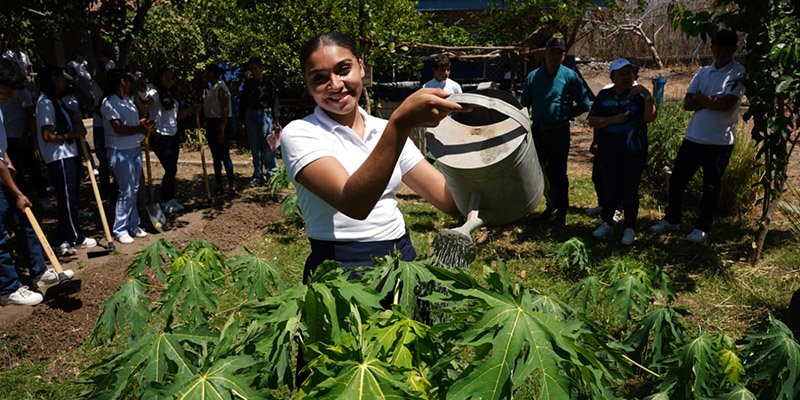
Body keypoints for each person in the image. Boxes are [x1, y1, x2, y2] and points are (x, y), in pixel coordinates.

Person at [282, 31, 462, 282]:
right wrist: (400, 124)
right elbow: (354, 203)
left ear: (361, 67)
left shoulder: (383, 129)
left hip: (401, 259)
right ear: (307, 85)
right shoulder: (300, 133)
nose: (335, 84)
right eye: (320, 78)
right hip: (339, 269)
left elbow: (448, 200)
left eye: (343, 69)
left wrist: (484, 161)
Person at [650, 30, 745, 243]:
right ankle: (672, 220)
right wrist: (709, 100)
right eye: (717, 47)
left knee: (710, 186)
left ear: (734, 50)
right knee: (677, 180)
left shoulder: (738, 73)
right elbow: (687, 104)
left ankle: (702, 227)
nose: (721, 52)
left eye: (726, 49)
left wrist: (702, 99)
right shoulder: (702, 72)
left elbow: (726, 105)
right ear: (711, 47)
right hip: (694, 137)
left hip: (719, 141)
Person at [0, 59, 73, 306]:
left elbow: (1, 151)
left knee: (25, 219)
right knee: (0, 233)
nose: (10, 96)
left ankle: (40, 273)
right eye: (6, 90)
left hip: (3, 171)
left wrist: (8, 160)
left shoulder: (0, 104)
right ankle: (8, 288)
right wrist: (16, 191)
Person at [521, 36, 590, 225]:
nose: (556, 55)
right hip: (538, 131)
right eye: (553, 51)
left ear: (564, 55)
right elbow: (524, 104)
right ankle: (549, 205)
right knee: (541, 170)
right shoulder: (534, 77)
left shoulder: (569, 76)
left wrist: (567, 113)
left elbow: (584, 103)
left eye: (560, 52)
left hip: (559, 131)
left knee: (559, 171)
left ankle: (562, 209)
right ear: (545, 52)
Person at [588, 59, 657, 245]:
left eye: (630, 73)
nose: (627, 77)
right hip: (608, 151)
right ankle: (608, 222)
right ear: (613, 77)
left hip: (634, 152)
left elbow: (649, 118)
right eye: (622, 74)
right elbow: (592, 120)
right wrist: (612, 120)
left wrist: (649, 97)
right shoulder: (604, 95)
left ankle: (630, 228)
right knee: (609, 188)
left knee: (629, 190)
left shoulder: (639, 95)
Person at [36, 65, 98, 255]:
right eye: (61, 78)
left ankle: (64, 236)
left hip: (69, 154)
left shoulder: (58, 101)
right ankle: (74, 236)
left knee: (70, 197)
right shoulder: (45, 103)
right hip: (59, 157)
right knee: (66, 197)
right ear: (53, 79)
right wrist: (72, 135)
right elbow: (47, 135)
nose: (64, 82)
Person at [101, 68, 151, 244]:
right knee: (126, 190)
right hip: (119, 151)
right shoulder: (109, 103)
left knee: (134, 188)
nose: (130, 84)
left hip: (134, 148)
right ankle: (119, 228)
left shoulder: (128, 100)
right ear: (122, 81)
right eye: (128, 81)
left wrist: (142, 124)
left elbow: (131, 123)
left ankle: (133, 224)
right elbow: (118, 128)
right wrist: (139, 128)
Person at [149, 67, 194, 213]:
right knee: (170, 168)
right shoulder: (154, 94)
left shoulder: (172, 96)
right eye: (166, 78)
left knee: (172, 169)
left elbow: (176, 117)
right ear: (160, 79)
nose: (169, 81)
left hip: (173, 134)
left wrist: (191, 110)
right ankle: (164, 200)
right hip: (159, 136)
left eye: (171, 78)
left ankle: (170, 198)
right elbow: (146, 106)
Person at [240, 57, 281, 186]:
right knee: (254, 146)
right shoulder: (247, 85)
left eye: (255, 68)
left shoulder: (268, 83)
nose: (253, 71)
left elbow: (274, 101)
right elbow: (243, 103)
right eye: (251, 69)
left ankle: (272, 173)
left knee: (268, 145)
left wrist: (276, 120)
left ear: (261, 69)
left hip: (265, 114)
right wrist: (242, 120)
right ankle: (257, 175)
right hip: (251, 115)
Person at [202, 63, 236, 196]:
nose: (206, 75)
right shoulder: (211, 89)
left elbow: (225, 111)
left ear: (213, 73)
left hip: (221, 123)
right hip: (211, 123)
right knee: (216, 156)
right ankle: (218, 184)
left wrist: (222, 130)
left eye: (208, 72)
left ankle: (232, 184)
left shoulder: (222, 89)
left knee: (224, 155)